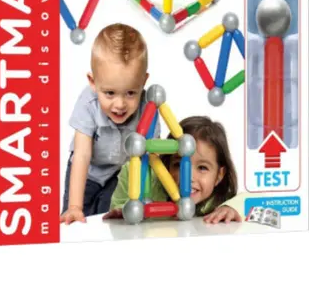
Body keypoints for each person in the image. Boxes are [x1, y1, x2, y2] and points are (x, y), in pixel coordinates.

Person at [60, 23, 159, 225]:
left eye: (130, 93)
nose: (120, 104)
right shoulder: (88, 103)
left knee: (108, 220)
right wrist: (75, 207)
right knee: (76, 219)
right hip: (87, 171)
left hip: (118, 174)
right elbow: (82, 155)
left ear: (143, 81)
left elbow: (152, 155)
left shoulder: (148, 108)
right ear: (93, 82)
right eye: (110, 93)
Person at [104, 116, 243, 224]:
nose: (188, 177)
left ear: (219, 175)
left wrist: (231, 208)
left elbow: (249, 199)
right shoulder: (148, 189)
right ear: (167, 166)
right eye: (178, 164)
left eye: (202, 168)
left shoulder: (218, 200)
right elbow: (118, 207)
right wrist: (122, 210)